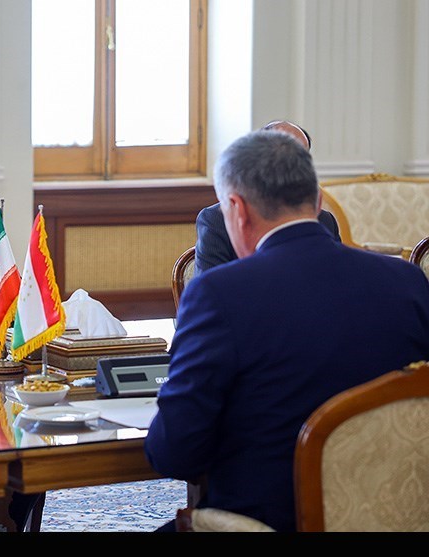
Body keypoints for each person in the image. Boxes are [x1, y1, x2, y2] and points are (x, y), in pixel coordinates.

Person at [144, 130, 429, 532]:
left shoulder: (219, 294)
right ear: (317, 202)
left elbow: (174, 453)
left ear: (236, 210)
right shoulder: (407, 282)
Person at [194, 120, 340, 275]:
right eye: (280, 156)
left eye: (299, 156)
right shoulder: (218, 219)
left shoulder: (324, 221)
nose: (291, 165)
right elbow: (210, 283)